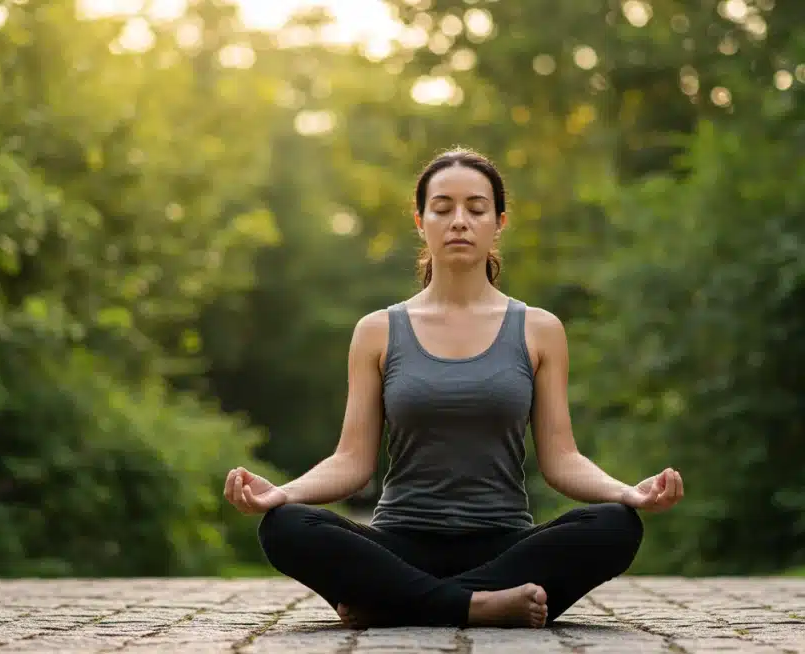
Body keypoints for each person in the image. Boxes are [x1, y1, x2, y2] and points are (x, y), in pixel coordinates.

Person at [222, 148, 684, 630]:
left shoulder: (540, 330)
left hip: (505, 546)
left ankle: (396, 603)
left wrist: (627, 493)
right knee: (285, 525)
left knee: (615, 525)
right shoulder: (377, 331)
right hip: (400, 543)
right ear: (420, 221)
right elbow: (351, 462)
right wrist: (282, 493)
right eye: (442, 209)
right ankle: (479, 606)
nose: (459, 221)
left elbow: (562, 459)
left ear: (498, 223)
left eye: (476, 208)